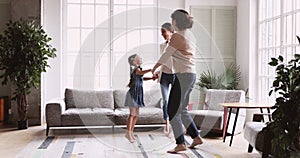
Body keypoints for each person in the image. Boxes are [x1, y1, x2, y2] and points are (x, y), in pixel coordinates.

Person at [151, 9, 203, 153]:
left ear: (175, 21)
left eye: (172, 19)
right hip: (190, 75)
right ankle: (196, 137)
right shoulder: (190, 35)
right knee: (182, 109)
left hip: (183, 76)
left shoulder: (176, 36)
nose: (171, 22)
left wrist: (154, 68)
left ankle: (180, 143)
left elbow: (166, 55)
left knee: (172, 110)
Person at [124, 54, 156, 143]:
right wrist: (150, 69)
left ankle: (131, 132)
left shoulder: (139, 69)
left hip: (138, 94)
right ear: (134, 61)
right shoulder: (134, 68)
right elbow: (139, 73)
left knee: (136, 115)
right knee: (132, 114)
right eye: (139, 57)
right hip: (133, 94)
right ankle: (128, 133)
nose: (141, 58)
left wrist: (151, 78)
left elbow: (141, 77)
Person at [155, 22, 175, 136]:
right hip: (164, 76)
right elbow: (162, 60)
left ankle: (174, 125)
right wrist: (158, 71)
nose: (162, 34)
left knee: (174, 102)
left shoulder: (177, 44)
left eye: (164, 32)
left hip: (175, 75)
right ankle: (166, 123)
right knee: (166, 100)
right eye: (161, 32)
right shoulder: (162, 46)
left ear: (170, 31)